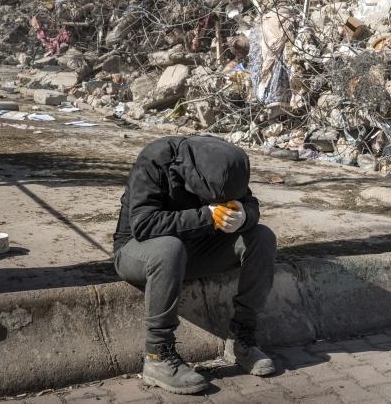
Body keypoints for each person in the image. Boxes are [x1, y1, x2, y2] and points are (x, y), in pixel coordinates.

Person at [113, 135, 276, 395]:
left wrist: (244, 216)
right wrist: (206, 216)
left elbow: (250, 203)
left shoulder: (225, 161)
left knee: (262, 237)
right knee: (169, 247)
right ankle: (157, 355)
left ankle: (241, 337)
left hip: (192, 250)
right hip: (138, 251)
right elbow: (144, 225)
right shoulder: (155, 159)